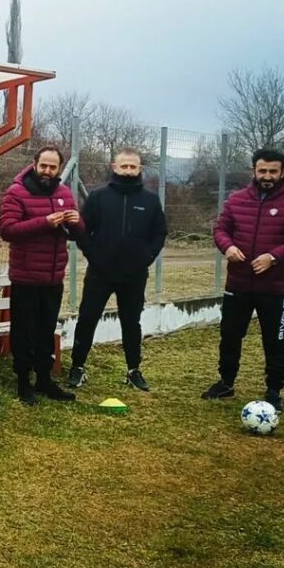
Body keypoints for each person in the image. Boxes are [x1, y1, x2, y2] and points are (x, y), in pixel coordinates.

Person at [201, 149, 284, 410]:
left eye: (273, 171)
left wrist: (274, 257)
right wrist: (228, 247)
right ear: (254, 171)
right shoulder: (237, 199)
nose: (267, 176)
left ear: (282, 172)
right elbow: (221, 229)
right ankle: (226, 383)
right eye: (262, 170)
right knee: (230, 336)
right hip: (238, 284)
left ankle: (274, 390)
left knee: (275, 341)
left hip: (274, 288)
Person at [67, 148, 168, 391]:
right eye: (124, 166)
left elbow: (159, 232)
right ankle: (77, 367)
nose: (128, 171)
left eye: (133, 167)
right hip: (99, 273)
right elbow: (83, 230)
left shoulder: (150, 200)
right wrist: (93, 255)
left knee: (131, 322)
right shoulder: (98, 197)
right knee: (88, 319)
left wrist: (146, 257)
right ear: (114, 167)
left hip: (134, 275)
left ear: (140, 169)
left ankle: (134, 371)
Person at [0, 145, 84, 405]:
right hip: (25, 276)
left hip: (53, 276)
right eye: (43, 165)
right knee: (24, 331)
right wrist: (44, 222)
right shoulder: (16, 192)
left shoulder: (64, 193)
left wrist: (76, 221)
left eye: (52, 167)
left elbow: (78, 234)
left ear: (59, 169)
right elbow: (7, 230)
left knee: (47, 331)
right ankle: (23, 382)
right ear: (34, 164)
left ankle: (44, 380)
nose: (47, 171)